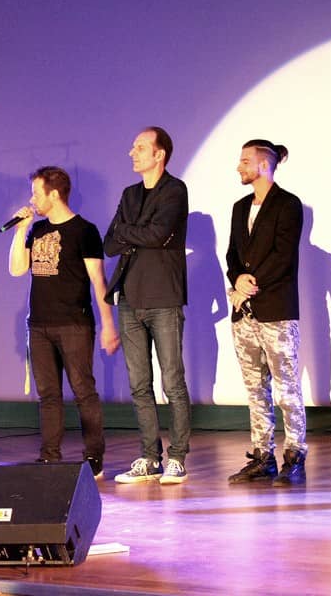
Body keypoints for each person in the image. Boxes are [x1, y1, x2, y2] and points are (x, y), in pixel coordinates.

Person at [8, 166, 119, 476]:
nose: (32, 199)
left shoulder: (84, 231)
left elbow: (98, 281)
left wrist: (108, 325)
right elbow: (17, 269)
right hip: (39, 324)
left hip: (74, 323)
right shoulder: (36, 229)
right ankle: (49, 456)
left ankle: (93, 456)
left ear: (54, 194)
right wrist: (19, 231)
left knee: (83, 391)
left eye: (36, 193)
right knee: (48, 394)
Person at [104, 126, 191, 484]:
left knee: (173, 382)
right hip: (130, 298)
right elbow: (109, 242)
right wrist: (135, 233)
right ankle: (149, 456)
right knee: (139, 384)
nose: (132, 152)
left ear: (159, 154)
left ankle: (178, 457)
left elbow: (158, 234)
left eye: (140, 147)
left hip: (164, 298)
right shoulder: (130, 194)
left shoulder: (175, 190)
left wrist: (129, 232)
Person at [225, 139, 307, 486]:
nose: (239, 167)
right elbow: (232, 254)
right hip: (244, 312)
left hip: (276, 310)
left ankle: (295, 456)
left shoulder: (288, 204)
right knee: (255, 388)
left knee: (286, 388)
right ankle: (263, 457)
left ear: (263, 165)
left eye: (245, 161)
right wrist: (237, 279)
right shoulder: (240, 207)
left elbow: (283, 255)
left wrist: (251, 283)